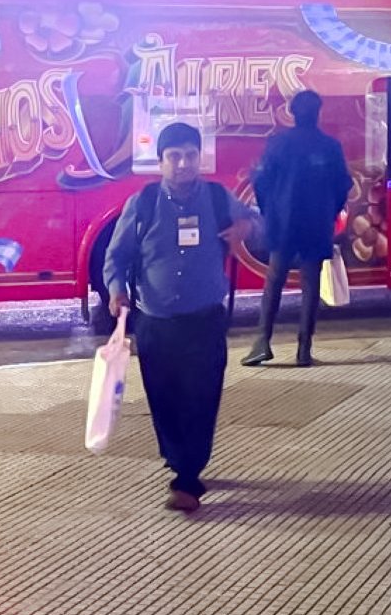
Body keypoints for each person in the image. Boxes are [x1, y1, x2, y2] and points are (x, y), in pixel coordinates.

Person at [104, 122, 257, 512]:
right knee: (164, 399)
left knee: (202, 398)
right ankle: (178, 456)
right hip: (155, 322)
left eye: (190, 155)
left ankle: (188, 477)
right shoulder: (143, 203)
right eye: (174, 156)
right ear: (160, 161)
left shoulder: (220, 199)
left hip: (204, 321)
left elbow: (261, 226)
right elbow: (116, 256)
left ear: (199, 158)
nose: (184, 163)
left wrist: (247, 225)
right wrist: (116, 289)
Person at [243, 90, 354, 367]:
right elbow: (343, 184)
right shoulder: (330, 146)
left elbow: (261, 181)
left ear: (292, 113)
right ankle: (304, 349)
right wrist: (329, 211)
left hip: (284, 222)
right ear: (319, 112)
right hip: (316, 224)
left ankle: (262, 341)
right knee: (310, 284)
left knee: (274, 281)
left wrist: (271, 211)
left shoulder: (278, 143)